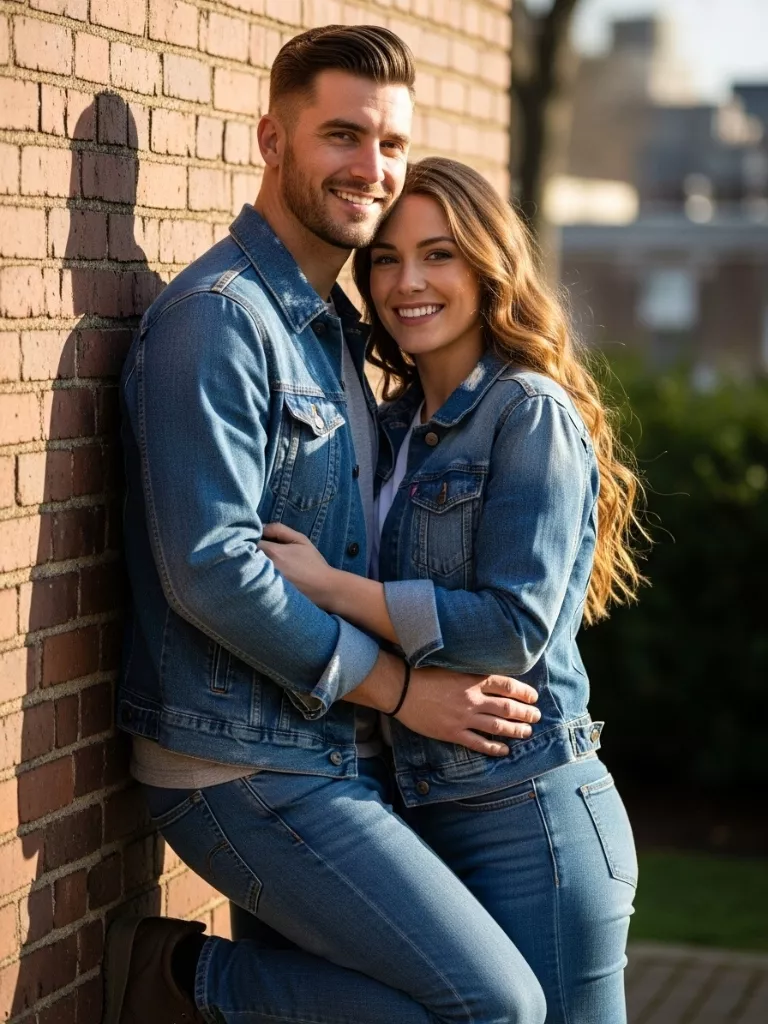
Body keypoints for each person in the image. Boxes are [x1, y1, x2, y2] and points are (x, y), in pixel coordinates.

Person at [106, 26, 548, 1024]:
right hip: (239, 764)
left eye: (391, 143)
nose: (373, 169)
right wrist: (400, 689)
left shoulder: (336, 328)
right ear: (272, 139)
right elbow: (213, 568)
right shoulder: (219, 318)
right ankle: (177, 988)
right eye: (342, 136)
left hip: (322, 751)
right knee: (498, 1007)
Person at [259, 156, 645, 1023]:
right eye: (387, 259)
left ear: (487, 265)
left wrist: (333, 588)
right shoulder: (389, 427)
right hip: (420, 801)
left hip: (531, 818)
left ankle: (195, 985)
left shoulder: (527, 412)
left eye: (439, 255)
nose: (408, 282)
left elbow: (513, 626)